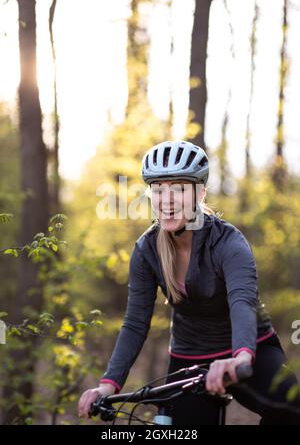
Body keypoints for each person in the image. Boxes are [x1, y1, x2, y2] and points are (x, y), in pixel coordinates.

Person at [78, 140, 300, 425]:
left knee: (290, 406)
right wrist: (108, 384)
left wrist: (242, 358)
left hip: (248, 348)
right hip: (190, 356)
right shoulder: (146, 250)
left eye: (179, 189)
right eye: (159, 190)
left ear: (200, 192)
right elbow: (135, 322)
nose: (167, 200)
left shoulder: (228, 243)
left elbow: (242, 302)